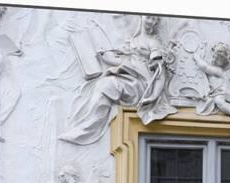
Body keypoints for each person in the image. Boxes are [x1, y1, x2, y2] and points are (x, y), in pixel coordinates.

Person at [59, 15, 176, 145]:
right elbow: (120, 61)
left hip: (141, 84)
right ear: (142, 17)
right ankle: (84, 126)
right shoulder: (133, 41)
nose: (151, 22)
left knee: (107, 85)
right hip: (129, 77)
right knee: (102, 85)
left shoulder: (153, 43)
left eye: (155, 20)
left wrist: (153, 96)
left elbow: (160, 72)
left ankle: (86, 130)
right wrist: (103, 55)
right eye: (149, 18)